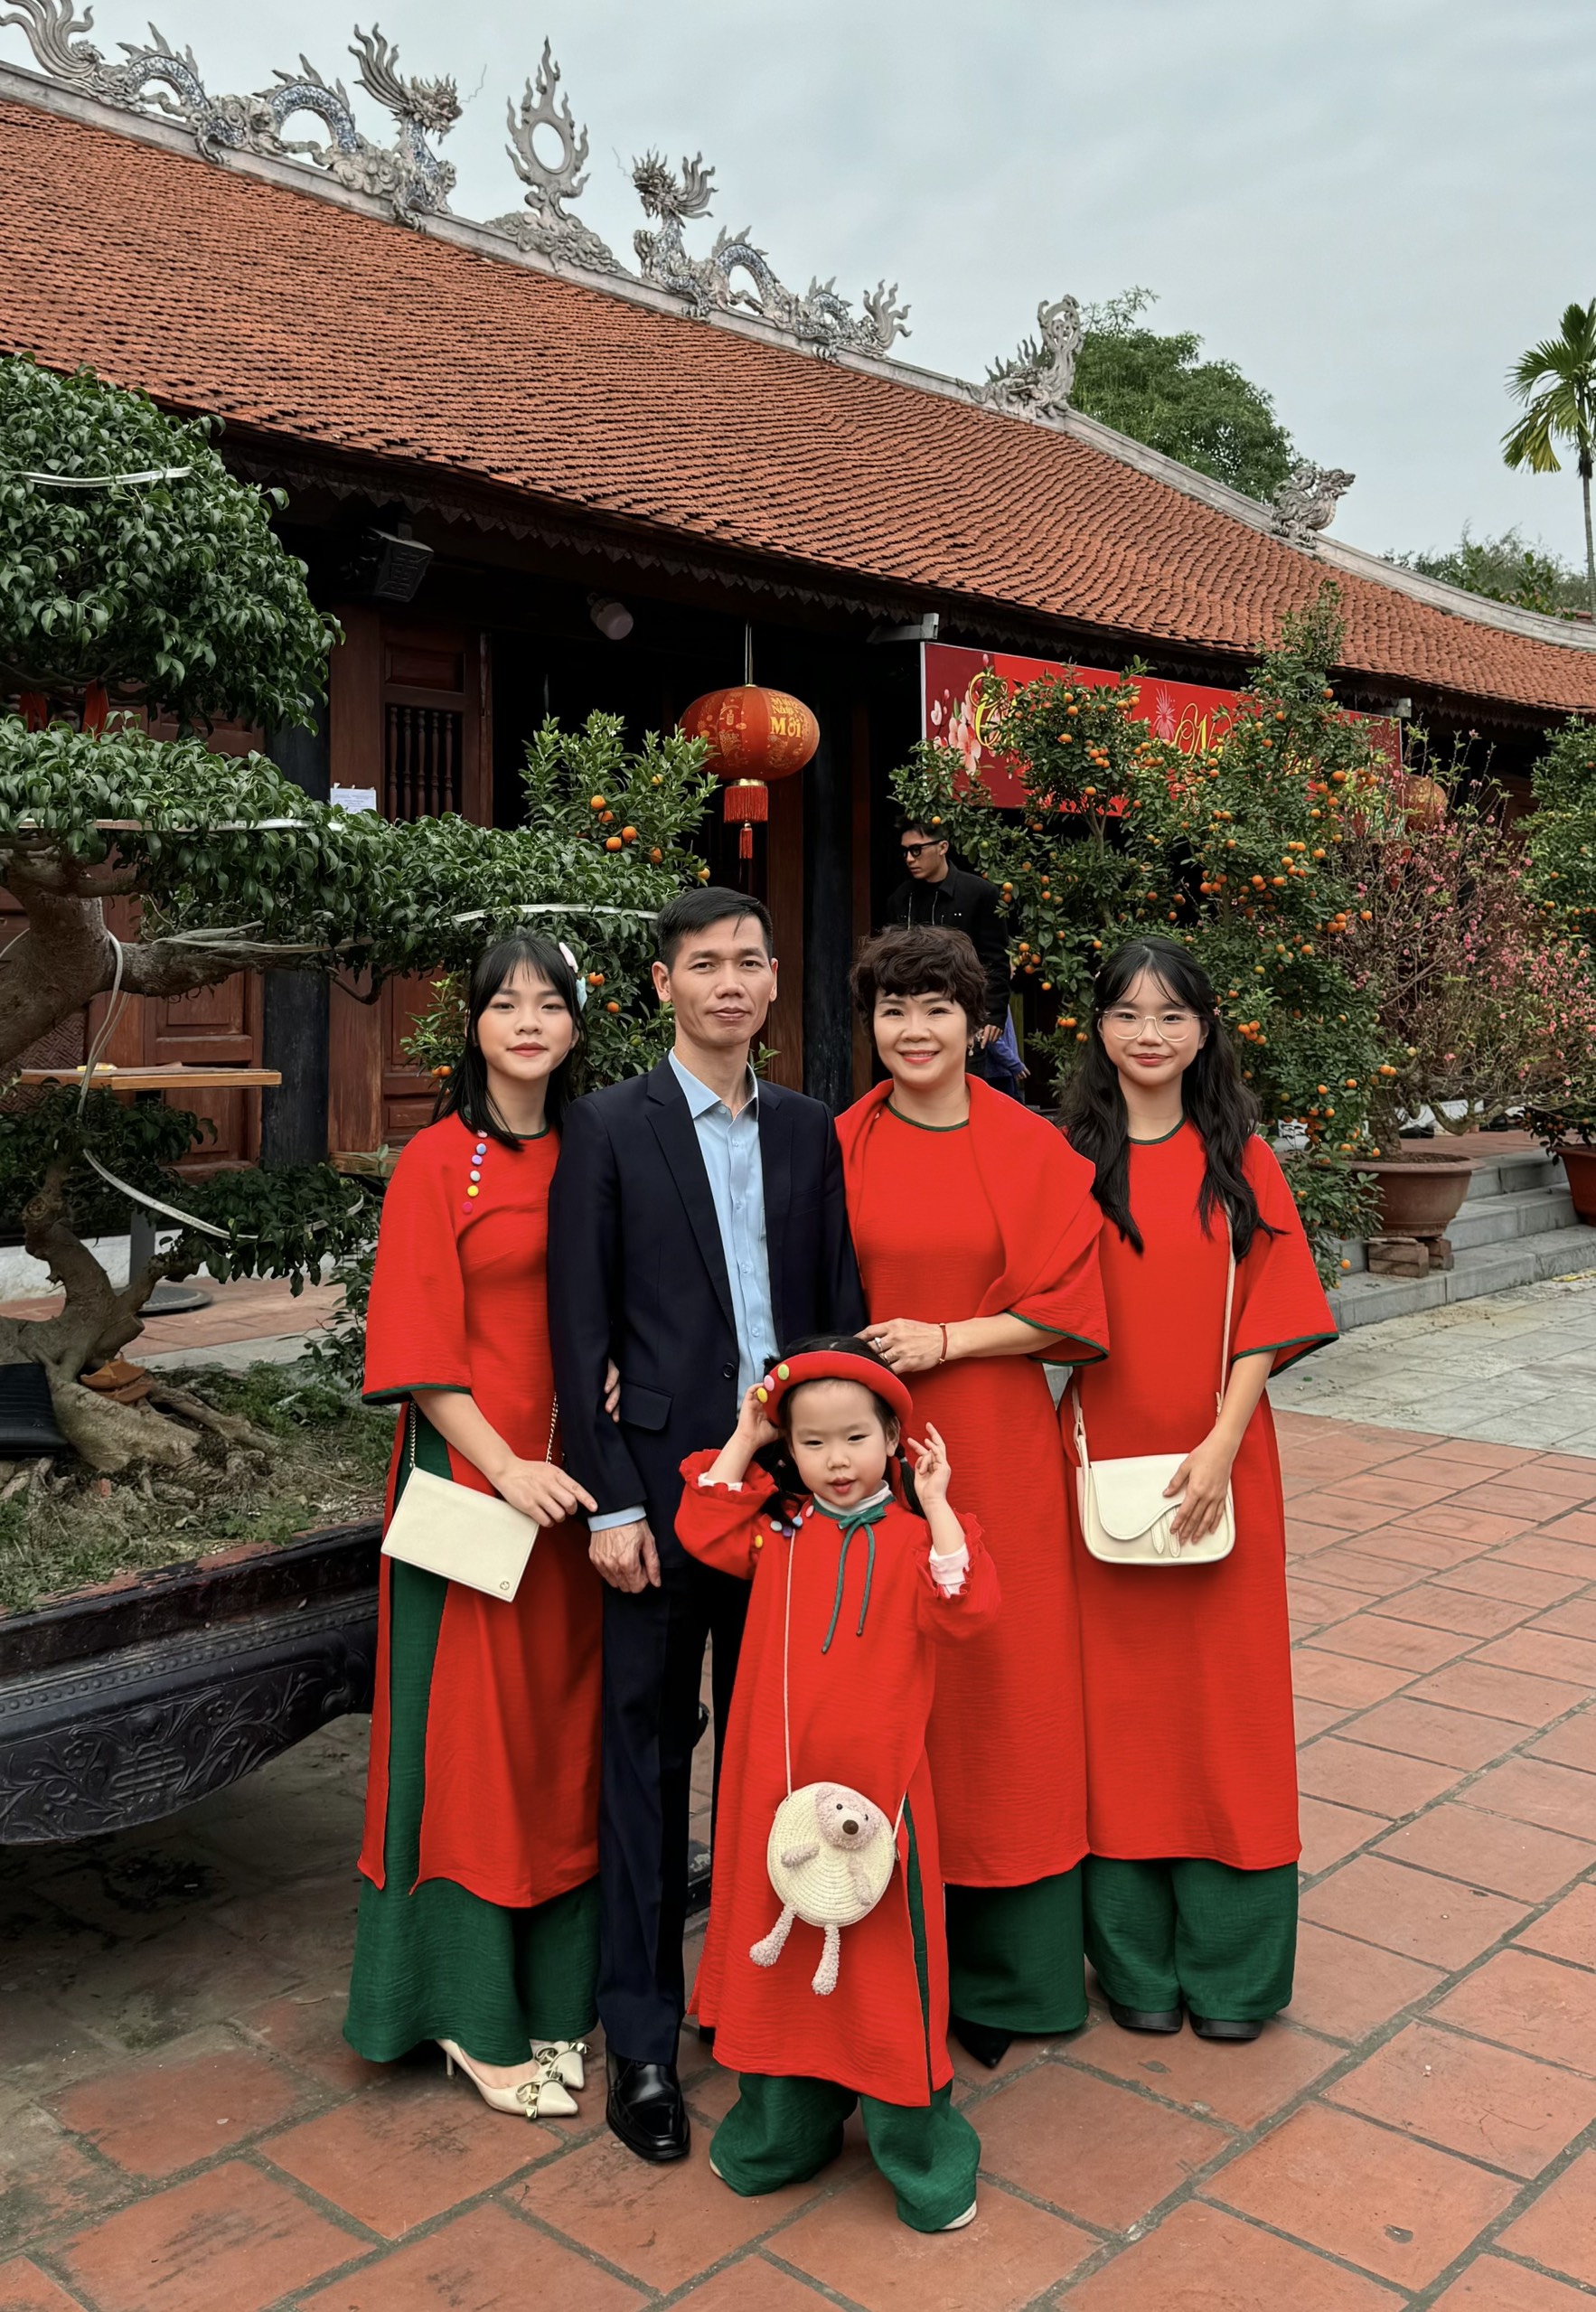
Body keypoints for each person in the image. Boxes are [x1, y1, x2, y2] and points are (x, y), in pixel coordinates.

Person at [547, 887, 867, 2165]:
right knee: (641, 1762)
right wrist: (614, 1499)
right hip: (659, 1497)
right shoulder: (605, 1126)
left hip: (783, 1502)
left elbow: (834, 1313)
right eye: (703, 964)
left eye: (747, 961)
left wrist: (841, 1480)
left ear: (775, 980)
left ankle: (758, 2006)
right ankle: (640, 2036)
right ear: (663, 985)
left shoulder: (806, 1128)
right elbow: (578, 1330)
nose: (728, 982)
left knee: (770, 1750)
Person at [838, 925, 1107, 2069]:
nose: (913, 1029)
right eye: (892, 1008)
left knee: (1004, 1685)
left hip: (994, 1438)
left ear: (976, 1023)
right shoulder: (838, 1140)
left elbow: (1073, 1306)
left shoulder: (1027, 1143)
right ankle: (892, 1940)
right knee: (890, 1680)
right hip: (863, 1451)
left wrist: (947, 1336)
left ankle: (1013, 1970)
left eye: (936, 1007)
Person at [346, 935, 603, 2119]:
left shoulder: (598, 1148)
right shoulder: (436, 1160)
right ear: (474, 1025)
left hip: (579, 1491)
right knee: (470, 1741)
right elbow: (416, 1345)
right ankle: (461, 2007)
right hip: (471, 1485)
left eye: (549, 1002)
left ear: (576, 1023)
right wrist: (505, 1467)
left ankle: (552, 1991)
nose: (528, 1020)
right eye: (505, 1003)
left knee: (560, 1734)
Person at [1062, 935, 1336, 2039]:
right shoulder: (1065, 1159)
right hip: (1095, 1458)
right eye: (1126, 1013)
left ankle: (1232, 1971)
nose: (1148, 1034)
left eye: (1170, 1014)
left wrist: (1222, 1440)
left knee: (1229, 1708)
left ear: (1203, 1029)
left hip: (1220, 1455)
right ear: (1096, 1028)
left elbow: (1272, 1305)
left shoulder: (1241, 1155)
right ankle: (1131, 1963)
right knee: (1117, 1711)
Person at [678, 1339, 999, 2232]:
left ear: (893, 1437)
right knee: (780, 1962)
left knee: (888, 1966)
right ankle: (783, 2131)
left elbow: (967, 1610)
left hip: (881, 1799)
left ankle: (920, 2155)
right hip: (777, 1795)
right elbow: (702, 1527)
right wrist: (745, 1437)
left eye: (855, 1437)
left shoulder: (916, 1541)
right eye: (811, 1442)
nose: (836, 1460)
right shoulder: (776, 1530)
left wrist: (937, 1504)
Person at [883, 820, 1014, 1091]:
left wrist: (994, 1014)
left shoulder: (979, 893)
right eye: (905, 851)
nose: (910, 858)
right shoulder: (900, 899)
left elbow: (996, 959)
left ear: (942, 847)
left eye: (917, 850)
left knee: (965, 1091)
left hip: (965, 1015)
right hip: (914, 1015)